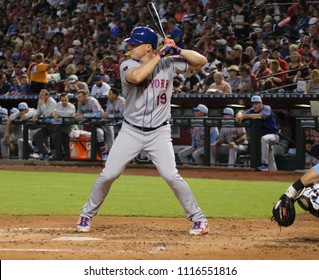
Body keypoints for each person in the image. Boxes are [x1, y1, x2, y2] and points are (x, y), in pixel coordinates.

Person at [76, 26, 209, 235]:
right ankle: (86, 215)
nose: (129, 47)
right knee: (108, 174)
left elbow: (201, 61)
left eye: (134, 44)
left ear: (148, 47)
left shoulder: (169, 63)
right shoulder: (127, 64)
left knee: (171, 176)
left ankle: (199, 219)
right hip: (131, 131)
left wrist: (178, 50)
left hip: (159, 132)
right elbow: (137, 77)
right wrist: (161, 54)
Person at [236, 95, 279, 171]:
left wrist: (245, 116)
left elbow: (259, 116)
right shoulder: (252, 110)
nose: (255, 106)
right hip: (263, 139)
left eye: (257, 104)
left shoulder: (266, 108)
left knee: (264, 139)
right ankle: (274, 174)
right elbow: (241, 114)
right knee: (270, 158)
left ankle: (264, 164)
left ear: (261, 103)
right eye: (253, 104)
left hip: (273, 135)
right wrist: (239, 114)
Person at [74, 89, 108, 161]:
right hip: (90, 124)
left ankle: (105, 154)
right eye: (78, 97)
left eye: (80, 97)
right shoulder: (79, 102)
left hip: (101, 123)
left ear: (85, 96)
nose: (78, 98)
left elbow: (97, 114)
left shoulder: (92, 101)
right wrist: (77, 116)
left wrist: (83, 115)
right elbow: (79, 113)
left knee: (100, 134)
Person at [32, 89, 57, 160]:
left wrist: (42, 104)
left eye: (42, 95)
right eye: (40, 94)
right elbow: (38, 112)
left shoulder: (52, 102)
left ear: (47, 96)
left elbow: (47, 114)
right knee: (36, 136)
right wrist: (35, 115)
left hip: (55, 127)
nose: (40, 96)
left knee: (55, 145)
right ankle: (45, 153)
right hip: (47, 126)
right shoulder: (40, 101)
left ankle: (59, 157)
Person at [51, 93, 76, 159]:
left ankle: (68, 157)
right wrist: (55, 113)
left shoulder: (71, 106)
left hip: (70, 127)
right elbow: (53, 112)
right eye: (62, 100)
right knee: (55, 138)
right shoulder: (58, 104)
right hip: (60, 127)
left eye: (65, 100)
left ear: (68, 100)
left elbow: (66, 114)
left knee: (66, 142)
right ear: (60, 100)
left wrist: (57, 113)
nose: (64, 102)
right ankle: (59, 156)